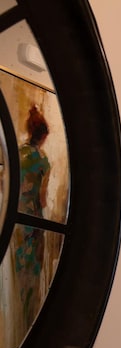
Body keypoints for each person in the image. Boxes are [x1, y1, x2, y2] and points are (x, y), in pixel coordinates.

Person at [15, 105, 51, 329]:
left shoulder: (16, 153)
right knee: (34, 282)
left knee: (19, 281)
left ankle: (19, 331)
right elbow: (44, 199)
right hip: (34, 227)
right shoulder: (43, 160)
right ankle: (31, 329)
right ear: (44, 135)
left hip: (17, 226)